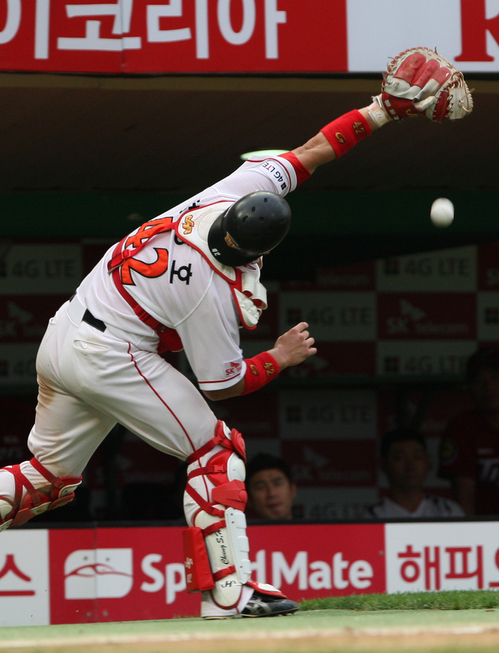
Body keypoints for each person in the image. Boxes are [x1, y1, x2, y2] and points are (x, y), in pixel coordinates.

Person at [0, 48, 472, 619]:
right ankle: (229, 593)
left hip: (66, 334)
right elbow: (221, 386)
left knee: (45, 479)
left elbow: (311, 152)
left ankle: (228, 589)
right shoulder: (208, 287)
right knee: (217, 451)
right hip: (110, 353)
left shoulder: (221, 195)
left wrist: (381, 110)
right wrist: (279, 356)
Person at [439, 348, 499, 516]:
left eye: (495, 377)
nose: (488, 386)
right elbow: (464, 502)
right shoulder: (462, 428)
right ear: (469, 388)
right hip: (488, 533)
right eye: (479, 380)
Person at [366, 428, 464, 519]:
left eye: (417, 457)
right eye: (399, 458)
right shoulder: (373, 515)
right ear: (383, 465)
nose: (410, 467)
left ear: (427, 462)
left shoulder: (448, 511)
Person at [246, 453, 297, 520]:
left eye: (277, 484)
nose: (272, 494)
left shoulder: (313, 529)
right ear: (248, 499)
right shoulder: (240, 531)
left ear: (292, 489)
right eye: (261, 487)